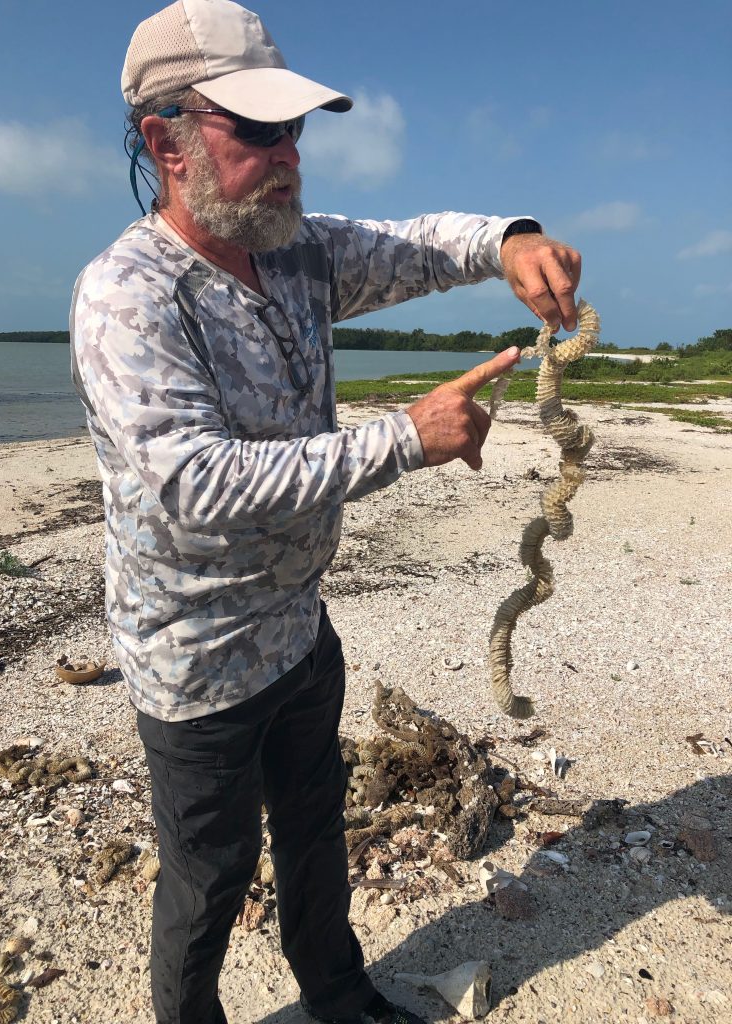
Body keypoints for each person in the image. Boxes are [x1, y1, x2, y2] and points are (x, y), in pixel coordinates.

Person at [70, 2, 582, 1022]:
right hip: (195, 658)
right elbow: (198, 485)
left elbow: (419, 243)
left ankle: (337, 990)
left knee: (315, 827)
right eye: (255, 129)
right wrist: (405, 437)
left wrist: (511, 240)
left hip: (300, 632)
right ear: (163, 141)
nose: (289, 154)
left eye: (294, 127)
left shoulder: (298, 250)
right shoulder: (129, 296)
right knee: (209, 876)